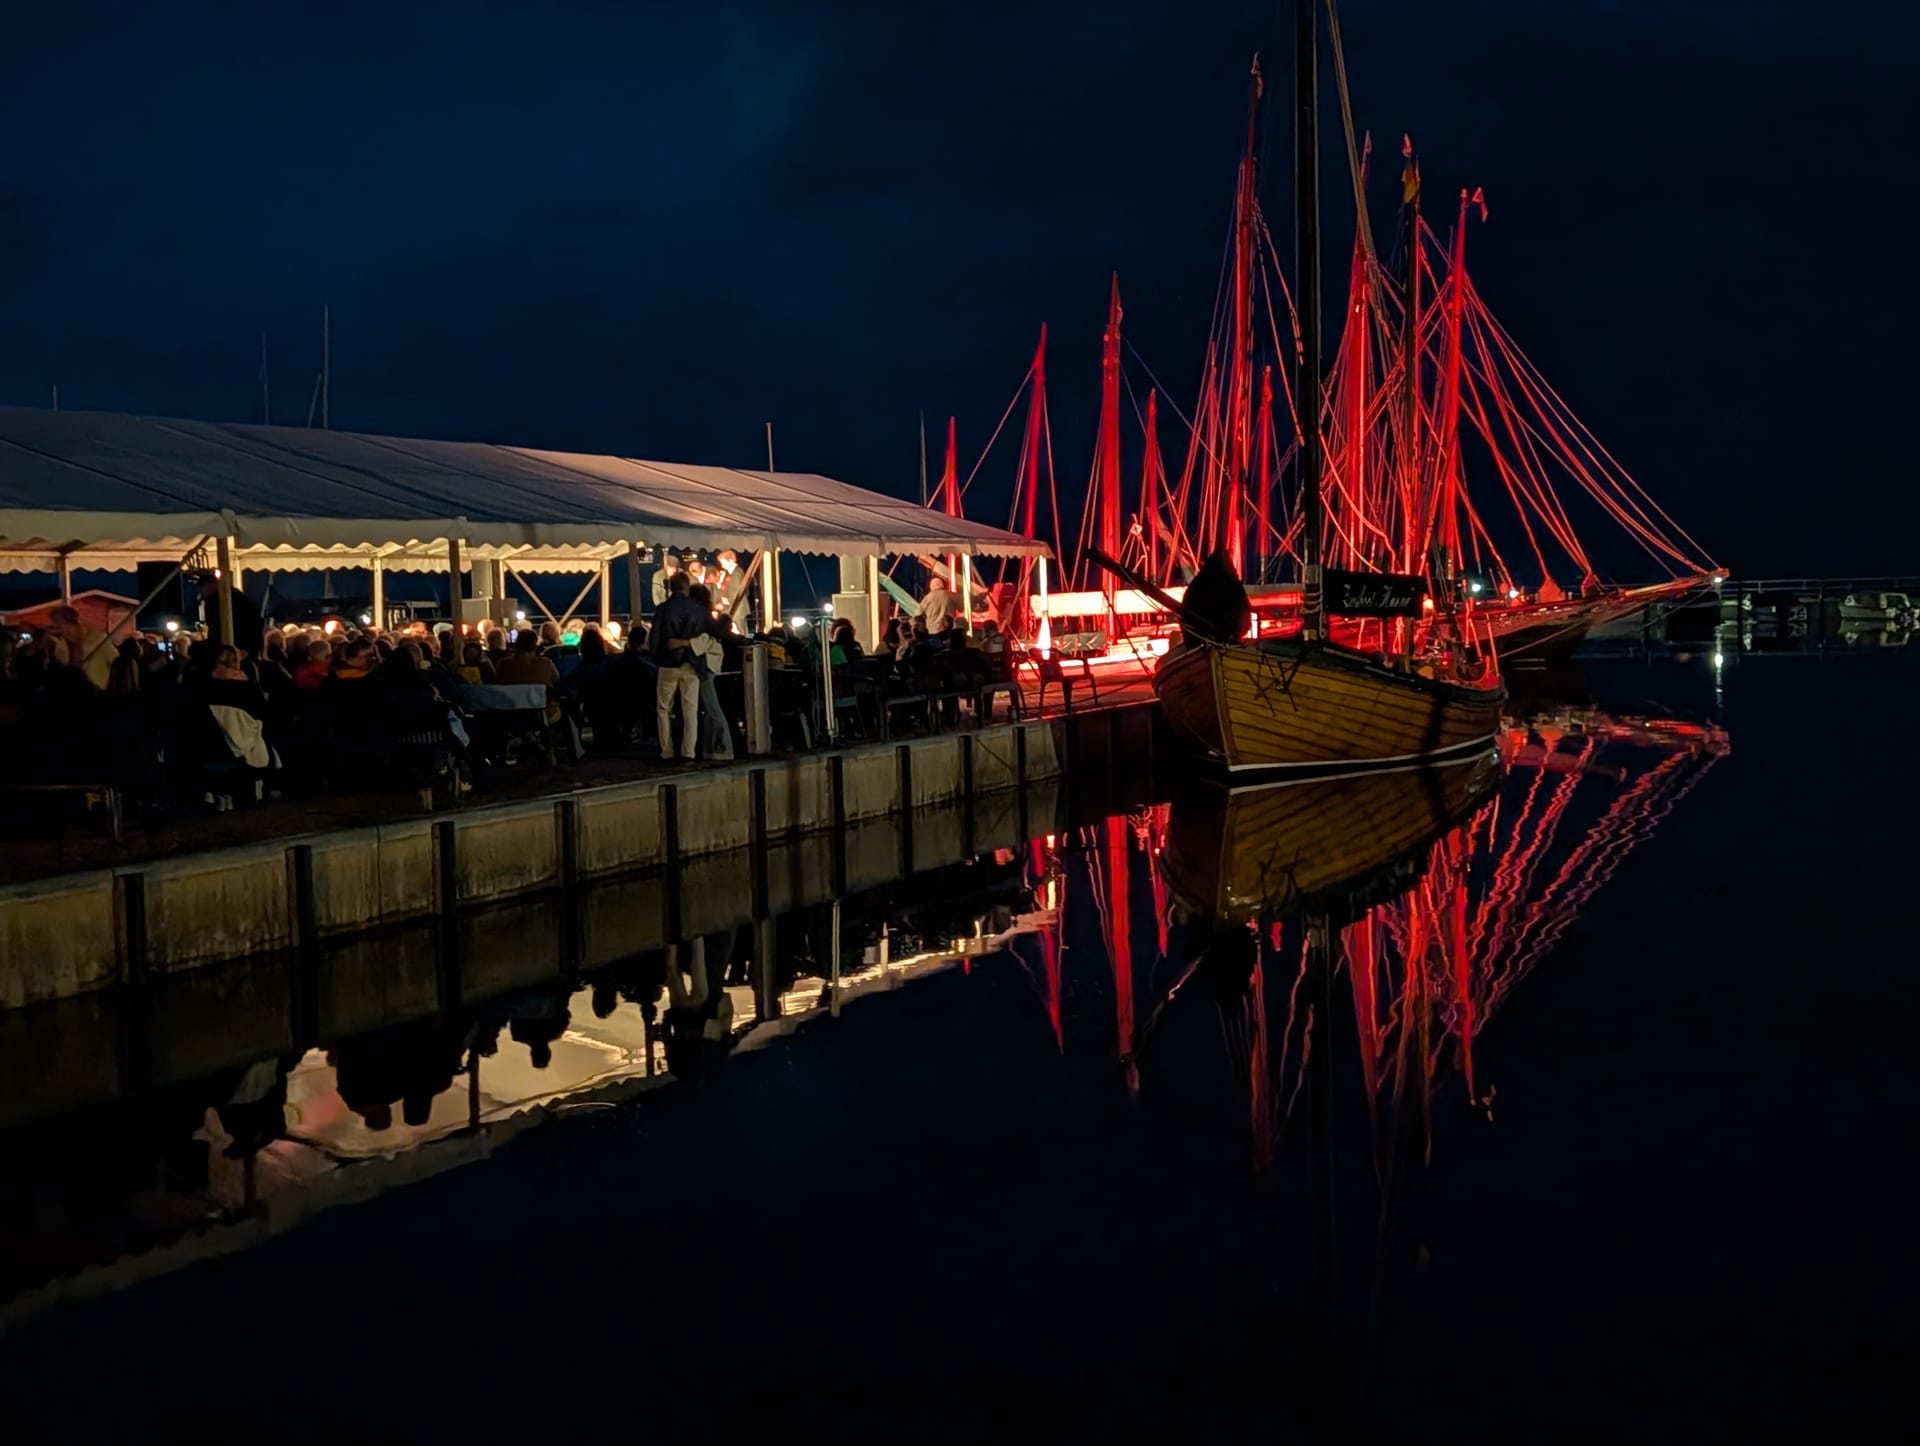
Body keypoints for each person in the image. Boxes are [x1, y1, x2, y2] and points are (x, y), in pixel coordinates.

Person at [649, 572, 706, 760]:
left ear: (670, 587)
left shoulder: (662, 609)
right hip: (691, 663)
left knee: (663, 709)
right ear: (686, 586)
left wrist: (655, 657)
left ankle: (666, 750)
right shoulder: (696, 608)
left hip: (667, 664)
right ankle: (688, 751)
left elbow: (655, 637)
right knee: (691, 709)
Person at [687, 583, 733, 760]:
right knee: (710, 707)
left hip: (705, 663)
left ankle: (722, 747)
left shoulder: (700, 618)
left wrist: (684, 644)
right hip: (711, 663)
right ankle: (713, 748)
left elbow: (700, 642)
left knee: (712, 707)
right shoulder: (708, 617)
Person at [920, 571, 955, 638]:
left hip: (932, 631)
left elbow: (918, 614)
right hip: (949, 631)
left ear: (931, 586)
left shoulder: (927, 598)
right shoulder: (951, 595)